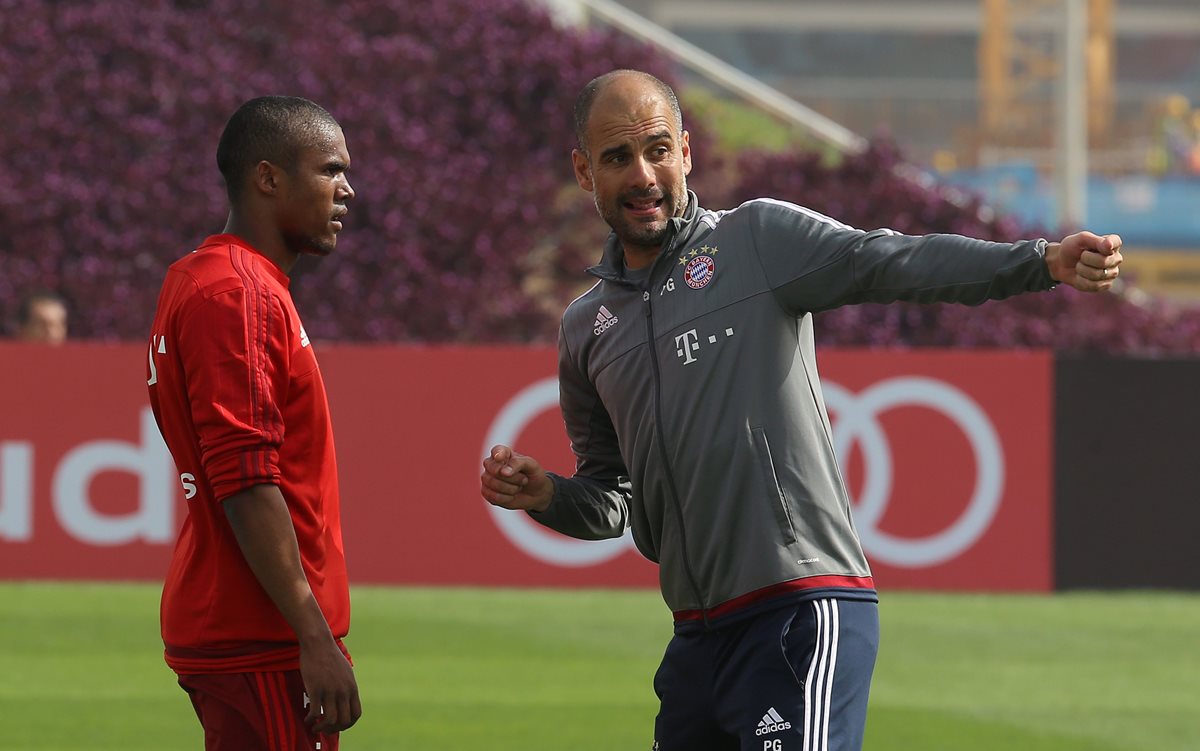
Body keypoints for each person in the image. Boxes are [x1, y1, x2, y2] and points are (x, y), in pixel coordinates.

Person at [480, 69, 1123, 751]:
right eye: (617, 158)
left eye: (658, 149)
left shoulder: (754, 240)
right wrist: (548, 494)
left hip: (800, 612)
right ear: (584, 171)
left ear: (686, 153)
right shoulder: (587, 328)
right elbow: (613, 497)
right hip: (696, 642)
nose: (643, 174)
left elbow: (893, 261)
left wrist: (1041, 260)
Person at [146, 95, 361, 750]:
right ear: (268, 178)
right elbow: (244, 477)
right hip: (262, 637)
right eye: (329, 170)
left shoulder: (206, 279)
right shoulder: (237, 293)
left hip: (246, 629)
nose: (347, 190)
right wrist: (311, 633)